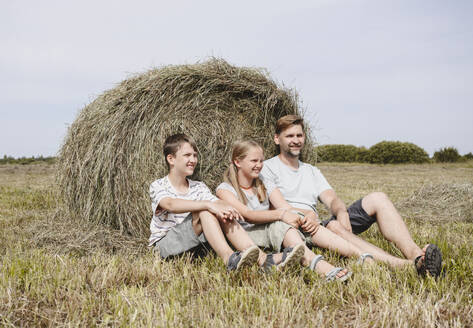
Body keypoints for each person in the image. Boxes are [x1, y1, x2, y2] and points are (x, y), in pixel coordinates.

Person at [259, 115, 443, 277]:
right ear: (277, 139)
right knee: (333, 226)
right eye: (289, 136)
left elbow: (332, 199)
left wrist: (341, 212)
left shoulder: (311, 171)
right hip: (297, 228)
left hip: (317, 223)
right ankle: (404, 266)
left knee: (378, 198)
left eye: (299, 135)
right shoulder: (267, 167)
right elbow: (279, 207)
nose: (295, 140)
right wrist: (308, 214)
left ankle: (417, 255)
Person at [216, 140, 374, 282]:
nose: (259, 165)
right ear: (237, 162)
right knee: (282, 224)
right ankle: (318, 265)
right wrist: (282, 215)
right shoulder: (225, 190)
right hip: (247, 235)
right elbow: (249, 216)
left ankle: (360, 255)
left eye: (261, 160)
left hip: (268, 228)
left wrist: (309, 215)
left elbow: (286, 207)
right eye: (254, 161)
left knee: (301, 221)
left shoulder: (264, 184)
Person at [149, 133, 301, 271]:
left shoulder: (199, 186)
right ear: (171, 159)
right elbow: (170, 204)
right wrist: (209, 205)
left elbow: (217, 204)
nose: (193, 160)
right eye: (187, 155)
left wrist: (227, 207)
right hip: (167, 245)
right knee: (205, 210)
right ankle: (229, 259)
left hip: (197, 246)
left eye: (195, 155)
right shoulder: (159, 185)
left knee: (221, 212)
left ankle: (262, 259)